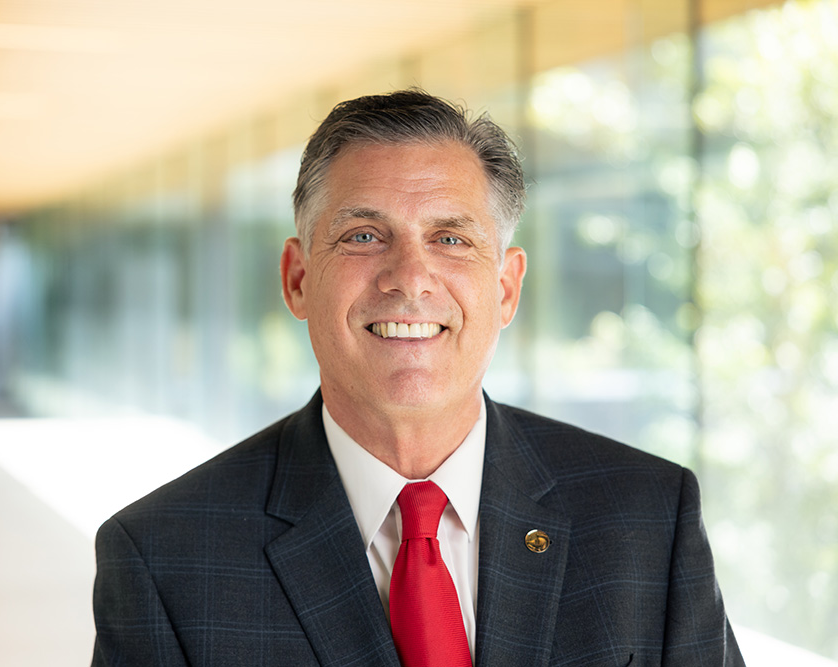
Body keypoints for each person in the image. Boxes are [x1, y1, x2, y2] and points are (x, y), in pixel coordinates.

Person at [91, 89, 744, 666]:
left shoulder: (648, 517)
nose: (408, 276)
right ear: (296, 278)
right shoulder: (162, 557)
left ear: (507, 287)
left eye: (452, 239)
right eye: (364, 236)